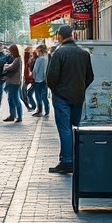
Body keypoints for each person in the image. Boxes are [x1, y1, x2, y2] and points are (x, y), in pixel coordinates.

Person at [45, 24, 94, 174]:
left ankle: (66, 161)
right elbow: (90, 77)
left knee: (65, 129)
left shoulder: (58, 54)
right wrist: (80, 88)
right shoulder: (83, 53)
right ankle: (78, 158)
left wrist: (55, 90)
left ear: (60, 36)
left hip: (62, 97)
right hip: (77, 97)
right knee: (75, 127)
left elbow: (51, 77)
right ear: (72, 35)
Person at [1, 44, 24, 123]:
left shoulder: (17, 59)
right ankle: (13, 115)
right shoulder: (16, 59)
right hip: (13, 81)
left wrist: (6, 67)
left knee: (15, 99)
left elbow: (12, 68)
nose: (9, 52)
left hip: (14, 82)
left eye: (10, 50)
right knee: (11, 99)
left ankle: (18, 116)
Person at [31, 44, 50, 116]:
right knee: (44, 96)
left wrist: (34, 77)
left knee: (38, 95)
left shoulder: (39, 59)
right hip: (45, 80)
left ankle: (39, 110)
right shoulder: (47, 58)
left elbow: (35, 70)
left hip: (38, 79)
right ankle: (47, 110)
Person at [22, 46, 36, 111]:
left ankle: (33, 106)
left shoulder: (35, 60)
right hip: (29, 78)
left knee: (28, 93)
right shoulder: (29, 60)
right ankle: (31, 106)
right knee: (25, 93)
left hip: (32, 79)